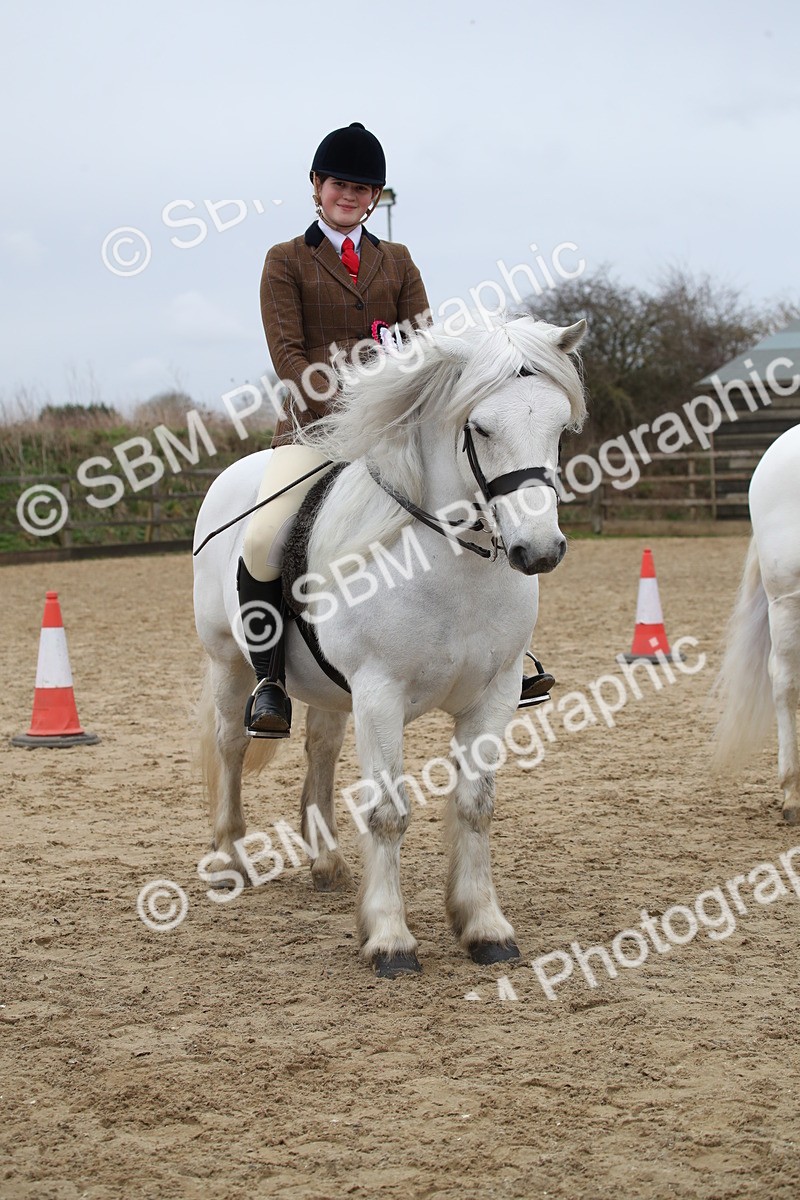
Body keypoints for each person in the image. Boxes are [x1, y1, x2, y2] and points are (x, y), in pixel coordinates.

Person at [238, 121, 555, 739]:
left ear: (376, 197)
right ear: (316, 187)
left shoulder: (398, 260)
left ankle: (504, 657)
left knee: (487, 504)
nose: (349, 196)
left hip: (397, 435)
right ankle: (270, 678)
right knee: (262, 538)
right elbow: (289, 357)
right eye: (338, 185)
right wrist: (350, 404)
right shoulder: (285, 261)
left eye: (362, 188)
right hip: (315, 432)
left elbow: (424, 345)